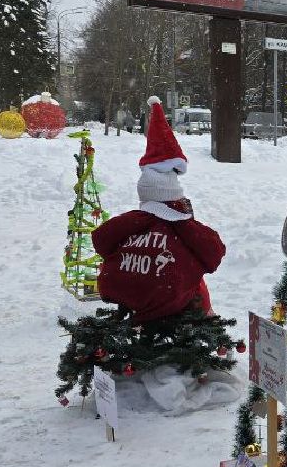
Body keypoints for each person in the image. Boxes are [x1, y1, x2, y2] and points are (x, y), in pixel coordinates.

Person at [92, 98, 225, 323]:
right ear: (174, 193)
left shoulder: (132, 222)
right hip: (175, 306)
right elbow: (214, 252)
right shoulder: (183, 226)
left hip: (129, 302)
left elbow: (101, 239)